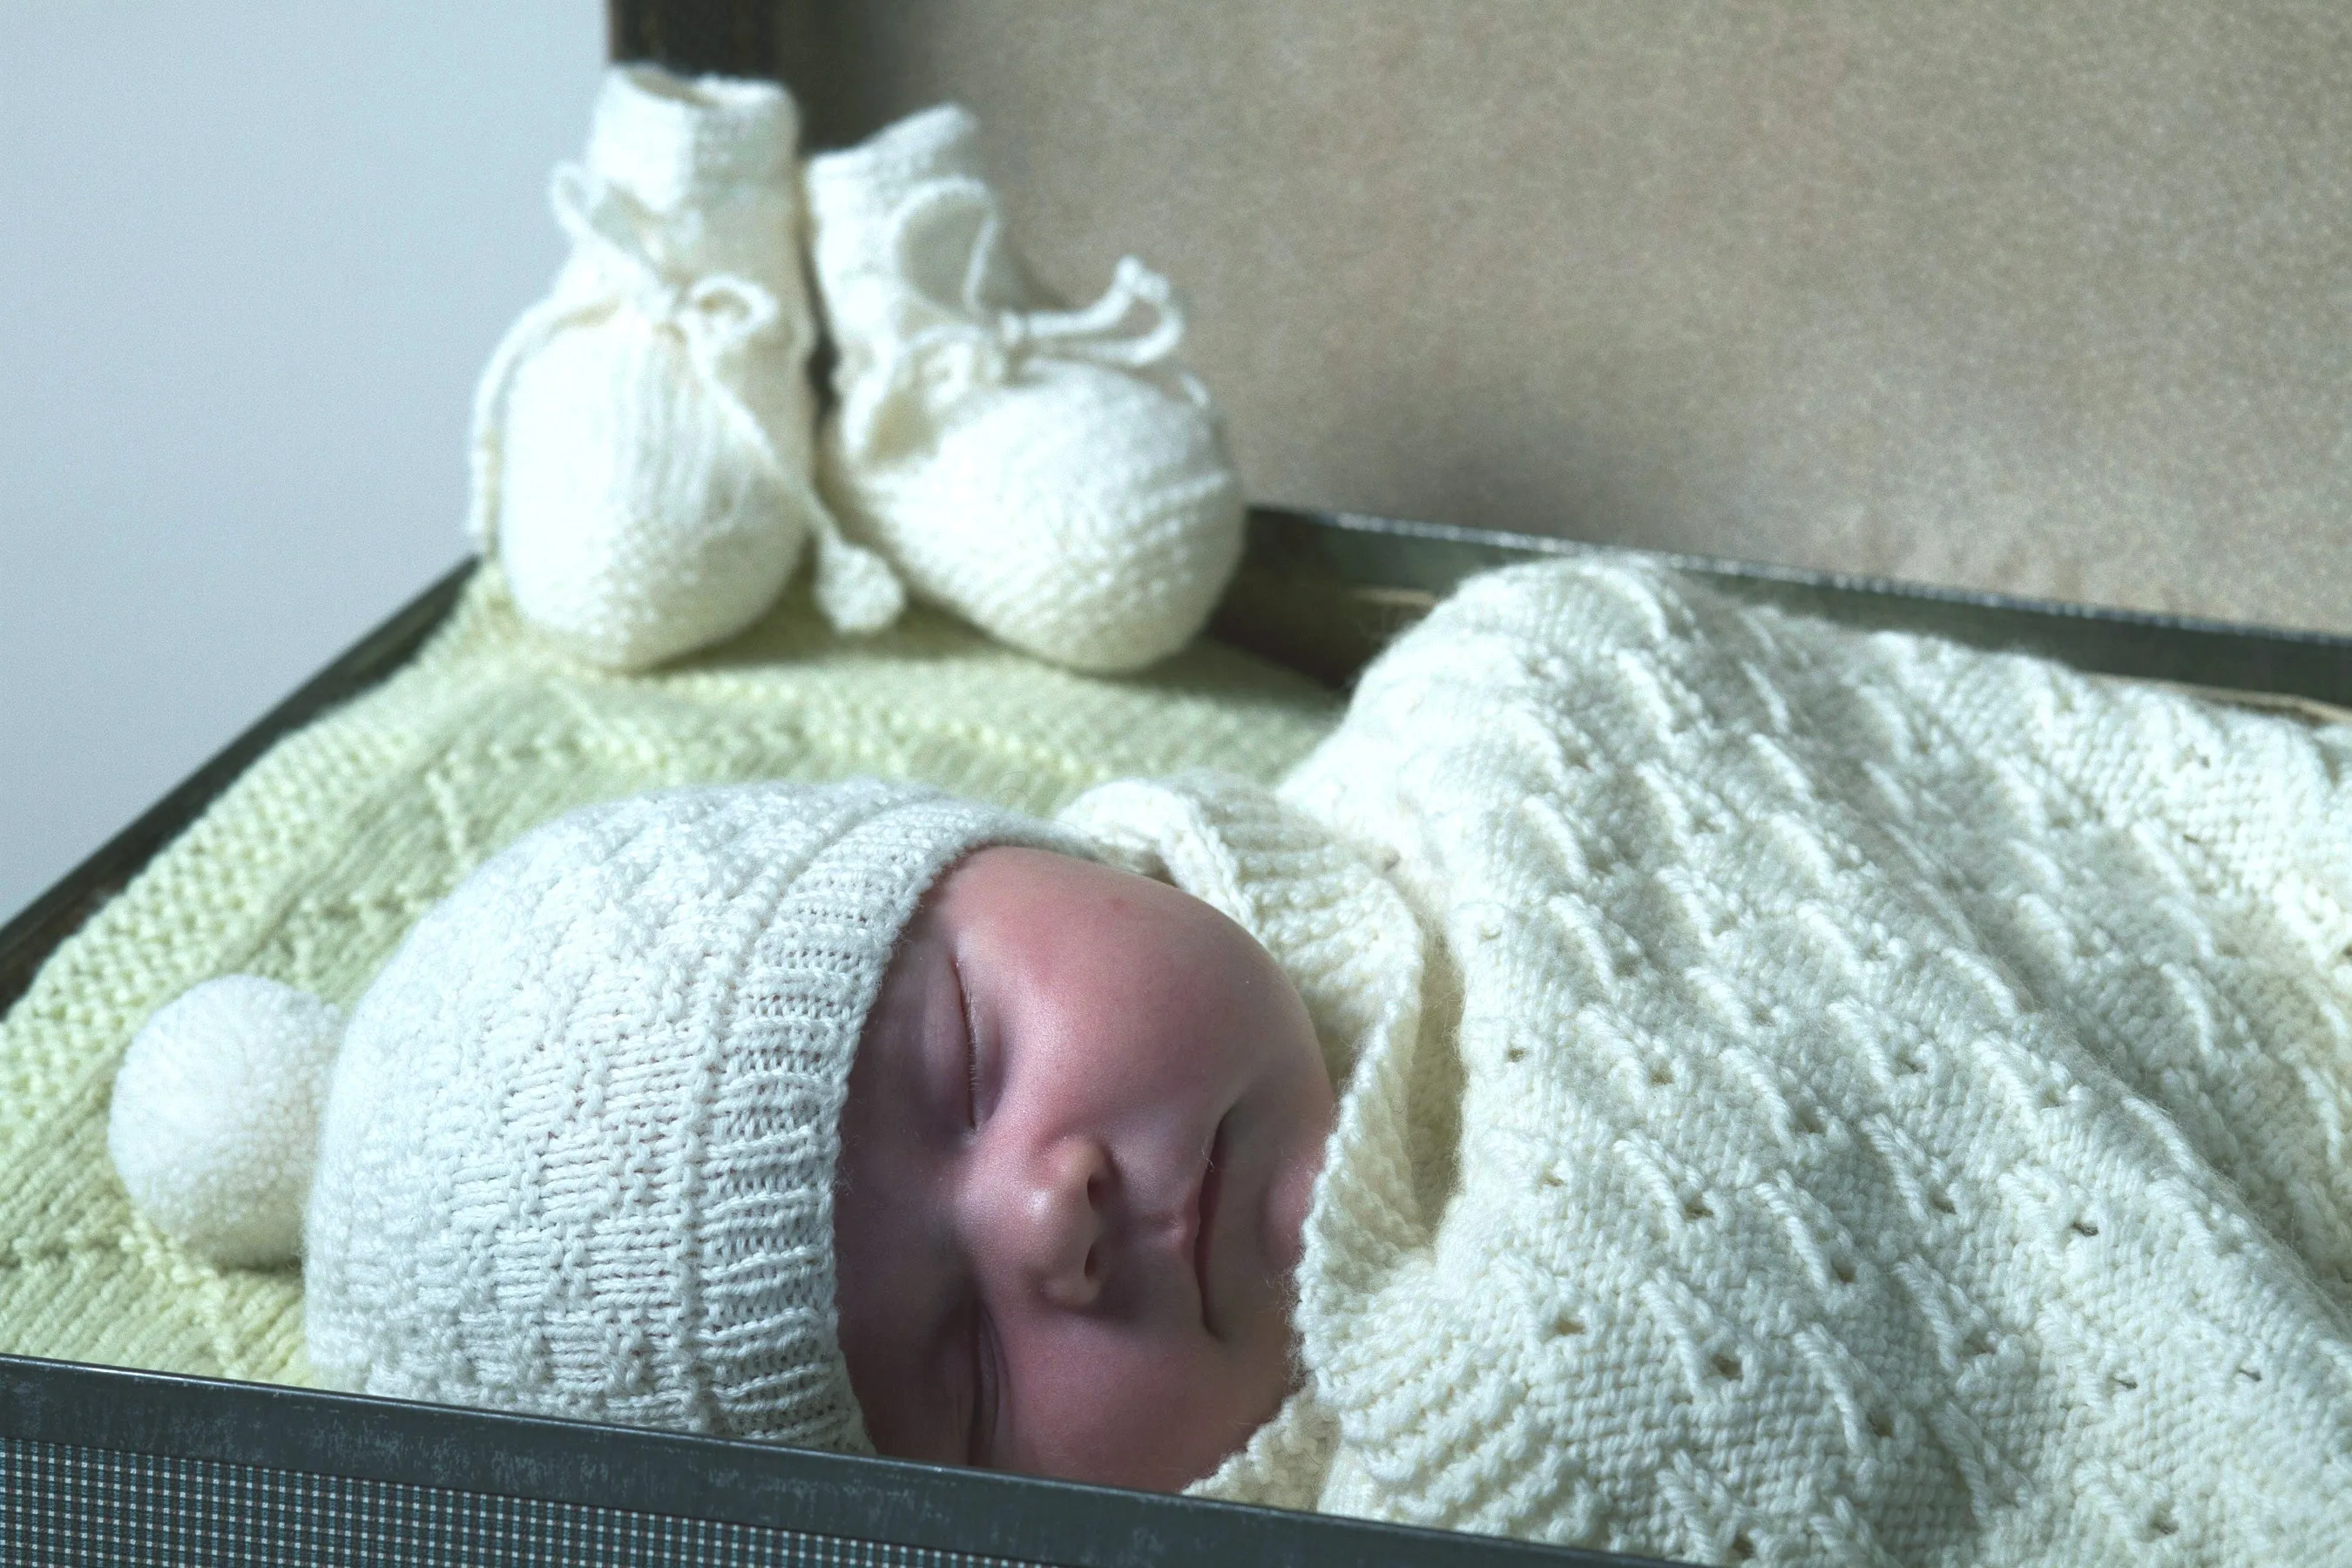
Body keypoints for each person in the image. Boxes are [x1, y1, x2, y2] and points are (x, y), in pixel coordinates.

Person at [110, 555, 2352, 1565]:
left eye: (963, 1056)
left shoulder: (1527, 715)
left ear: (1034, 851)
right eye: (962, 1380)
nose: (1042, 1213)